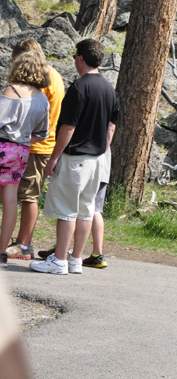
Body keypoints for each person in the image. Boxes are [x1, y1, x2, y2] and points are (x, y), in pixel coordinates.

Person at [30, 39, 118, 276]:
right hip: (98, 159)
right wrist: (100, 148)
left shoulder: (80, 87)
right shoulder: (109, 89)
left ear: (80, 58)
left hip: (75, 157)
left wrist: (53, 158)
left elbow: (68, 127)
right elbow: (111, 126)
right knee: (86, 210)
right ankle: (75, 259)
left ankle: (59, 260)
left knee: (66, 210)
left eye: (75, 57)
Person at [5, 39, 65, 261]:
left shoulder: (40, 79)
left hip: (34, 146)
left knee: (28, 196)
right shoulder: (55, 75)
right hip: (41, 144)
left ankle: (24, 245)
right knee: (25, 195)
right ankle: (20, 242)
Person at [0, 51, 50, 267]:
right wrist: (21, 138)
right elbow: (43, 133)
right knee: (11, 201)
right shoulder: (42, 99)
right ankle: (2, 252)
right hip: (21, 150)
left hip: (3, 145)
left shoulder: (11, 91)